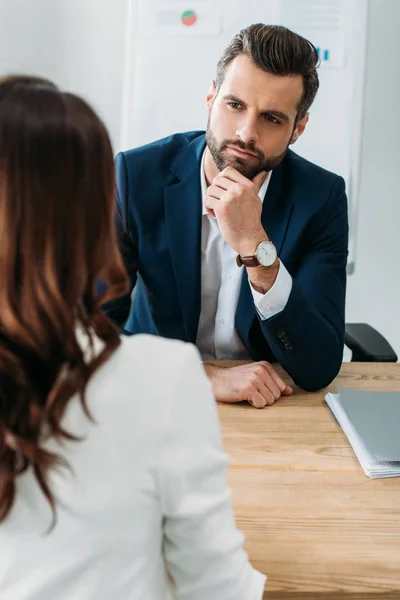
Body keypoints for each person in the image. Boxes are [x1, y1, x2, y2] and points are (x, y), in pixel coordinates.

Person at [0, 76, 266, 600]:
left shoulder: (320, 194)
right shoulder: (162, 380)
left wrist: (258, 247)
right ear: (97, 217)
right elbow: (218, 590)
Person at [104, 24, 349, 407]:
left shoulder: (321, 198)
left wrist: (257, 247)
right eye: (235, 105)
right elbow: (89, 332)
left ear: (298, 128)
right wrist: (200, 378)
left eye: (271, 118)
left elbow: (319, 367)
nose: (246, 133)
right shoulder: (136, 177)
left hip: (267, 405)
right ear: (210, 97)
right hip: (155, 397)